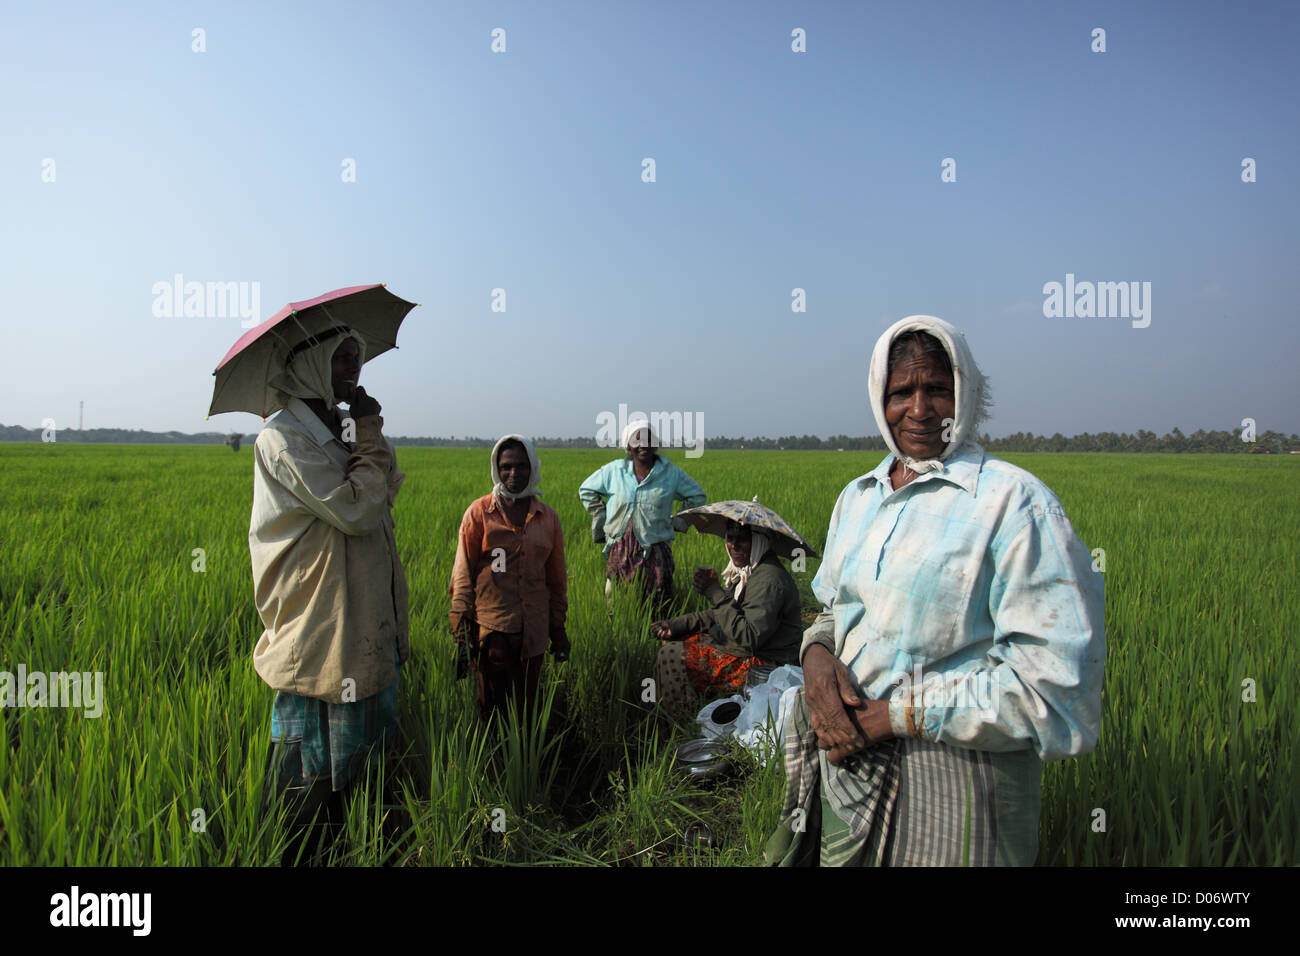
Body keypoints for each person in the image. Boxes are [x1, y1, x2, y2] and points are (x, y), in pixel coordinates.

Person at [767, 315, 1105, 867]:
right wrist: (817, 660)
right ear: (880, 399)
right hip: (849, 774)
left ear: (965, 394)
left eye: (937, 390)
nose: (920, 410)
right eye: (902, 391)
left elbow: (1056, 688)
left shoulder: (1014, 504)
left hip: (959, 794)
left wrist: (892, 716)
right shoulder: (859, 498)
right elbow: (837, 611)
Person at [250, 321, 409, 865]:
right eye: (340, 360)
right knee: (310, 779)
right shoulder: (284, 436)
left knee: (366, 770)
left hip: (361, 614)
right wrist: (367, 433)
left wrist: (368, 434)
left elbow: (384, 487)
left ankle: (360, 845)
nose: (352, 372)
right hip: (319, 623)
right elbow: (358, 508)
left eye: (355, 359)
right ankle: (304, 852)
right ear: (310, 365)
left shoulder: (336, 428)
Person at [448, 435, 569, 720]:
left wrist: (558, 630)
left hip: (534, 632)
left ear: (533, 468)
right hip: (492, 632)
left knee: (527, 712)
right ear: (496, 469)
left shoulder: (547, 518)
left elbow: (556, 580)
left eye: (521, 466)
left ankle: (526, 762)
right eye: (506, 467)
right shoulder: (479, 513)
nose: (514, 474)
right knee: (491, 712)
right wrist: (462, 635)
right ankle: (493, 764)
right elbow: (463, 574)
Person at [650, 518, 802, 715]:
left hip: (765, 663)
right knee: (674, 639)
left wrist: (715, 593)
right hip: (743, 648)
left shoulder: (769, 580)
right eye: (730, 538)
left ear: (758, 542)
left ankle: (678, 720)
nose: (734, 546)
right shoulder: (747, 572)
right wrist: (677, 625)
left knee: (670, 655)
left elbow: (748, 637)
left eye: (743, 540)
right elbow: (722, 614)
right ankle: (684, 707)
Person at [578, 420, 706, 609]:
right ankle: (621, 634)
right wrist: (601, 516)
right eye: (636, 440)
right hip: (620, 548)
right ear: (628, 445)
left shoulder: (670, 473)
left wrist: (678, 522)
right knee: (616, 601)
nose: (643, 445)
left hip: (655, 549)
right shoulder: (614, 470)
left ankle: (656, 634)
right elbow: (586, 490)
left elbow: (697, 495)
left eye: (648, 440)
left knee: (658, 602)